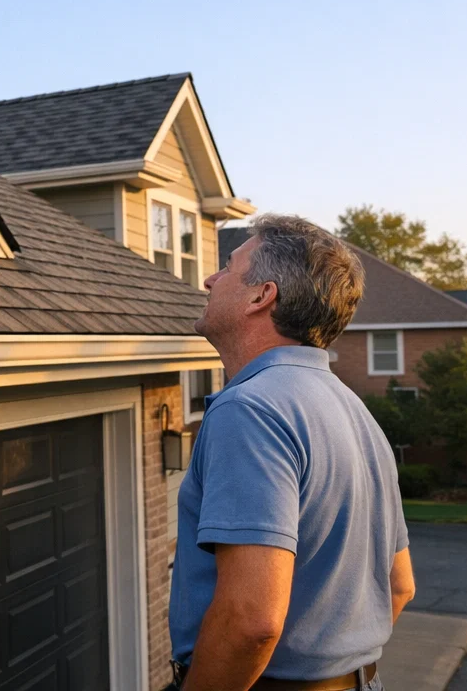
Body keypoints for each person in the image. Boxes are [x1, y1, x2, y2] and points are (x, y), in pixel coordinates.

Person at [167, 215, 413, 691]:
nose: (209, 279)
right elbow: (400, 585)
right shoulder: (356, 412)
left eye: (227, 268)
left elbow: (251, 621)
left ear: (262, 296)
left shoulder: (250, 409)